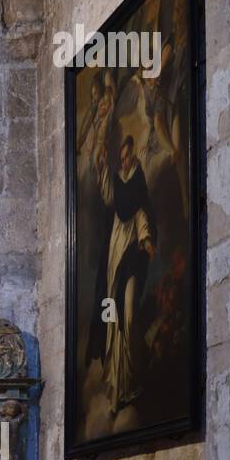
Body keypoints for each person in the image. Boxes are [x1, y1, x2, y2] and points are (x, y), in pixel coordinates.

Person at [93, 133, 156, 413]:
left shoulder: (138, 184)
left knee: (128, 314)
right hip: (114, 259)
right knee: (113, 317)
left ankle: (133, 377)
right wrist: (102, 165)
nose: (125, 161)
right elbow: (108, 196)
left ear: (135, 157)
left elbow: (142, 213)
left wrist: (145, 239)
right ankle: (118, 386)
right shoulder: (117, 183)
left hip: (131, 257)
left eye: (128, 156)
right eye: (122, 158)